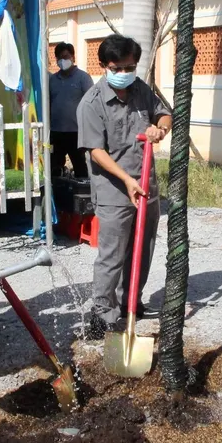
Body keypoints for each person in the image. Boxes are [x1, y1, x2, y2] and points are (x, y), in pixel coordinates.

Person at [76, 34, 172, 340]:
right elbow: (96, 151)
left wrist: (160, 129)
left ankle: (132, 301)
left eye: (130, 66)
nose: (124, 73)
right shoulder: (91, 103)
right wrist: (127, 179)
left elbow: (165, 113)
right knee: (112, 254)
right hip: (115, 190)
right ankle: (102, 313)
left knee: (143, 249)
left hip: (147, 186)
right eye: (117, 67)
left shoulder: (140, 90)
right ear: (104, 66)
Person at [48, 42, 94, 179]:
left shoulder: (83, 78)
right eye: (59, 58)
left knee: (80, 167)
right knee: (54, 168)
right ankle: (58, 194)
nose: (63, 61)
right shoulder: (52, 80)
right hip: (56, 132)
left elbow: (91, 104)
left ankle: (82, 195)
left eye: (66, 57)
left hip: (76, 133)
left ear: (73, 57)